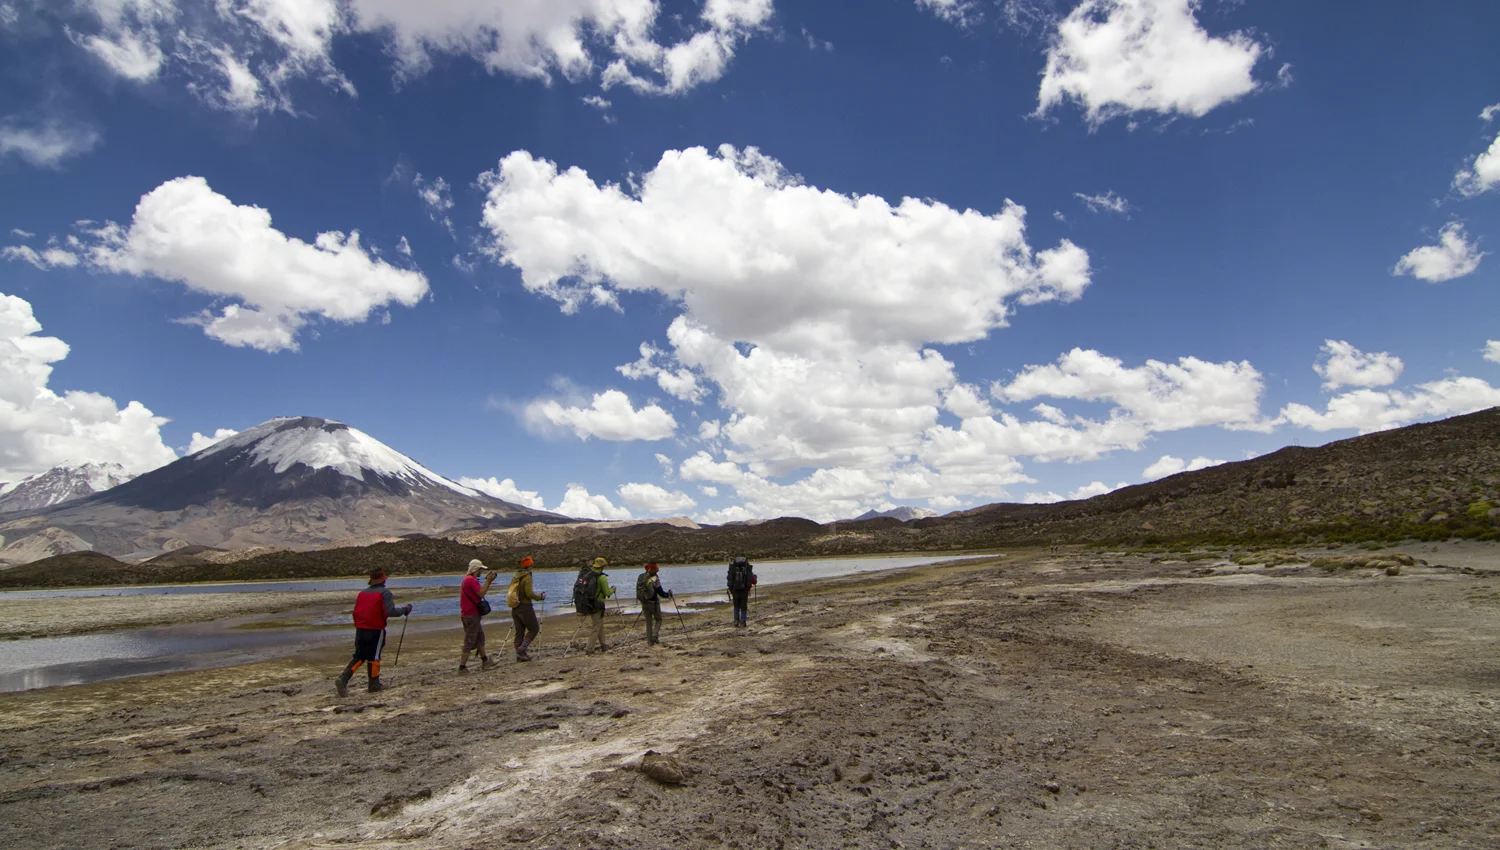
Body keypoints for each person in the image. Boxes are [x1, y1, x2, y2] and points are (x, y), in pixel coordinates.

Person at [335, 568, 412, 696]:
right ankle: (374, 685)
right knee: (374, 657)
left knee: (360, 655)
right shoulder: (385, 593)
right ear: (383, 580)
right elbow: (390, 612)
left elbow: (356, 612)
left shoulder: (362, 593)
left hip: (361, 629)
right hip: (375, 629)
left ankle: (343, 678)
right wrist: (405, 609)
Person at [459, 558, 500, 672]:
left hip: (469, 614)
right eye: (481, 569)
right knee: (470, 640)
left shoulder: (466, 580)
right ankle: (462, 667)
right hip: (471, 615)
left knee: (479, 638)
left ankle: (485, 661)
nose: (481, 572)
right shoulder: (471, 580)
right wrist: (488, 581)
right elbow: (481, 593)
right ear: (476, 569)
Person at [506, 555, 547, 662]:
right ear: (529, 566)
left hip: (515, 607)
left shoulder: (516, 576)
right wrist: (540, 597)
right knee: (534, 629)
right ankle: (521, 650)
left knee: (519, 631)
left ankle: (519, 655)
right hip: (525, 607)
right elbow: (529, 594)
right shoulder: (527, 577)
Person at [578, 557, 615, 654]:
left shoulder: (588, 575)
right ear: (602, 566)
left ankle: (603, 645)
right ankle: (589, 649)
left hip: (589, 603)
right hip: (598, 604)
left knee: (599, 625)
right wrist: (613, 590)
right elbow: (607, 593)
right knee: (596, 627)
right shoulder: (602, 577)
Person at [634, 562, 674, 646]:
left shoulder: (641, 577)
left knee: (649, 622)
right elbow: (661, 593)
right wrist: (668, 594)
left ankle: (649, 643)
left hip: (644, 602)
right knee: (659, 619)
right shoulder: (655, 578)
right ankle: (655, 636)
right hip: (654, 603)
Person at [727, 556, 757, 628]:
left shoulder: (733, 569)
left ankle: (736, 621)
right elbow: (754, 581)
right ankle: (743, 622)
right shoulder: (747, 569)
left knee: (736, 605)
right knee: (743, 606)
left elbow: (728, 578)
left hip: (734, 590)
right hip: (745, 590)